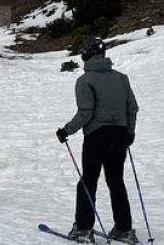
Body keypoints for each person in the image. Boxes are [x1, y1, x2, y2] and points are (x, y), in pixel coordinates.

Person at [56, 38, 140, 243]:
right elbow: (132, 108)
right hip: (120, 136)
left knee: (88, 182)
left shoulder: (85, 80)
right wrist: (130, 132)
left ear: (87, 55)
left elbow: (86, 112)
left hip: (97, 136)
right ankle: (124, 229)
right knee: (116, 182)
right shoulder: (121, 78)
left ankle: (84, 229)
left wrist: (66, 130)